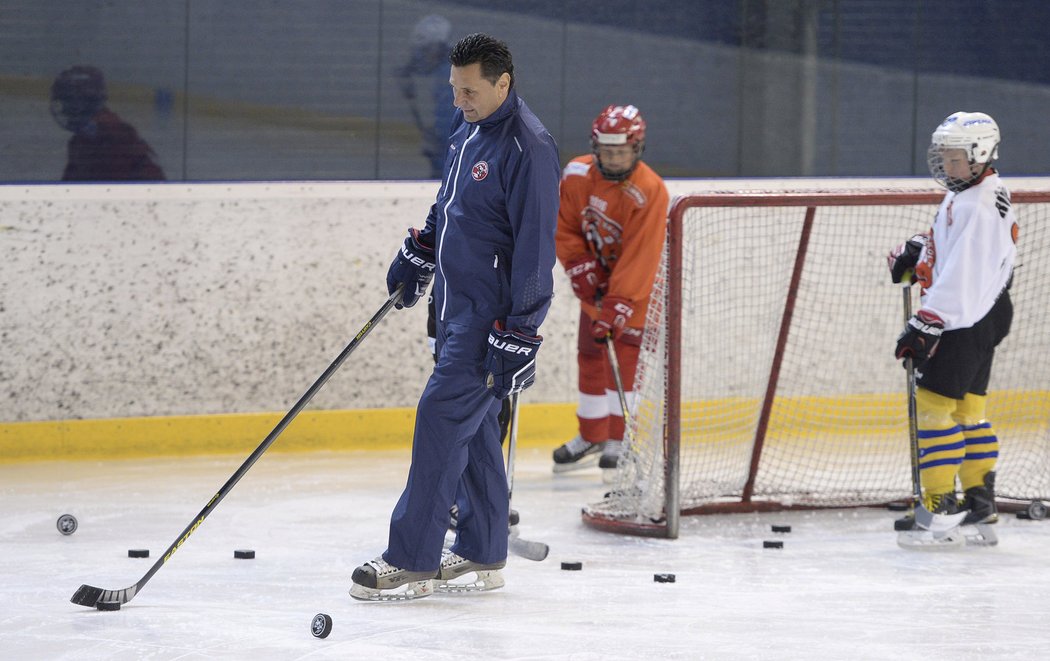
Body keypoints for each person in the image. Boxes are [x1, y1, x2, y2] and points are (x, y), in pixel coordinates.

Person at [350, 33, 560, 601]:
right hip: (451, 305)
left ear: (503, 83)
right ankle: (482, 548)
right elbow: (450, 203)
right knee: (475, 436)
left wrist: (522, 330)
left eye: (469, 91)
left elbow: (538, 250)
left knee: (441, 421)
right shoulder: (467, 129)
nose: (458, 100)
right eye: (453, 89)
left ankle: (412, 558)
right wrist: (422, 247)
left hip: (489, 320)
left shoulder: (529, 147)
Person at [887, 111, 1017, 530]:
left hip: (964, 318)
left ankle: (939, 503)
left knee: (933, 406)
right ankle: (980, 500)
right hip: (986, 313)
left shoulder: (975, 207)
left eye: (954, 157)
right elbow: (953, 246)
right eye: (942, 155)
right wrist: (920, 249)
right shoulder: (976, 191)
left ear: (980, 155)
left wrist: (928, 322)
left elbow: (963, 271)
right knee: (967, 410)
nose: (945, 164)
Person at [551, 105, 669, 473]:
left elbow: (642, 255)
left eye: (621, 152)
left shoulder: (650, 190)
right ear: (595, 147)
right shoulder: (575, 175)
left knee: (625, 361)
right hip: (594, 290)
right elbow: (564, 225)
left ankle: (622, 439)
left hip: (637, 293)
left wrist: (618, 302)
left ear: (637, 149)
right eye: (606, 151)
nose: (614, 159)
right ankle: (593, 434)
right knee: (589, 356)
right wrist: (577, 264)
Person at [50, 66, 165, 181]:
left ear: (82, 102)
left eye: (67, 101)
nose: (64, 109)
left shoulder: (112, 137)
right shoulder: (82, 140)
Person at [397, 15, 456, 178]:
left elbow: (450, 141)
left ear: (437, 48)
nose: (419, 57)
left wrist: (436, 148)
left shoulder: (448, 80)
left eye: (423, 50)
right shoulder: (449, 73)